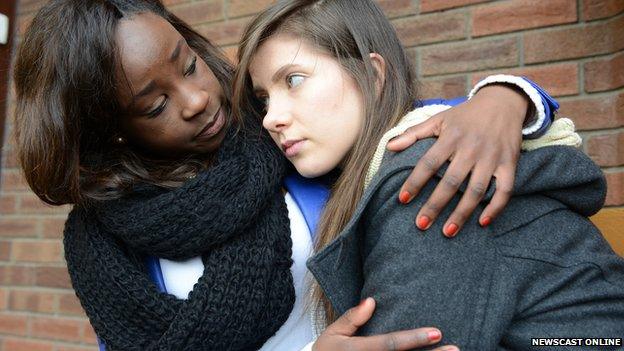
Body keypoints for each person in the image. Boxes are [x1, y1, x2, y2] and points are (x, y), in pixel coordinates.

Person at [14, 0, 559, 350]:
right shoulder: (103, 243)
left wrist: (506, 97)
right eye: (155, 106)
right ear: (110, 131)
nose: (199, 99)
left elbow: (413, 124)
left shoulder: (281, 136)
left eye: (188, 64)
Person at [233, 0, 624, 349]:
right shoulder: (381, 167)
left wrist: (509, 93)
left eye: (294, 80)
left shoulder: (429, 173)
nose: (272, 118)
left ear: (372, 74)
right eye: (263, 99)